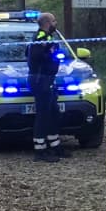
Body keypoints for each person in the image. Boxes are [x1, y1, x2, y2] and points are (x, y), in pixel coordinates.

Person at [27, 12, 71, 162]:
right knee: (43, 115)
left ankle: (55, 146)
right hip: (40, 80)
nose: (55, 23)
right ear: (47, 23)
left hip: (49, 79)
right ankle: (40, 150)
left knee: (53, 113)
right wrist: (50, 54)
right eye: (54, 21)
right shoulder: (41, 37)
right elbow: (36, 56)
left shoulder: (48, 37)